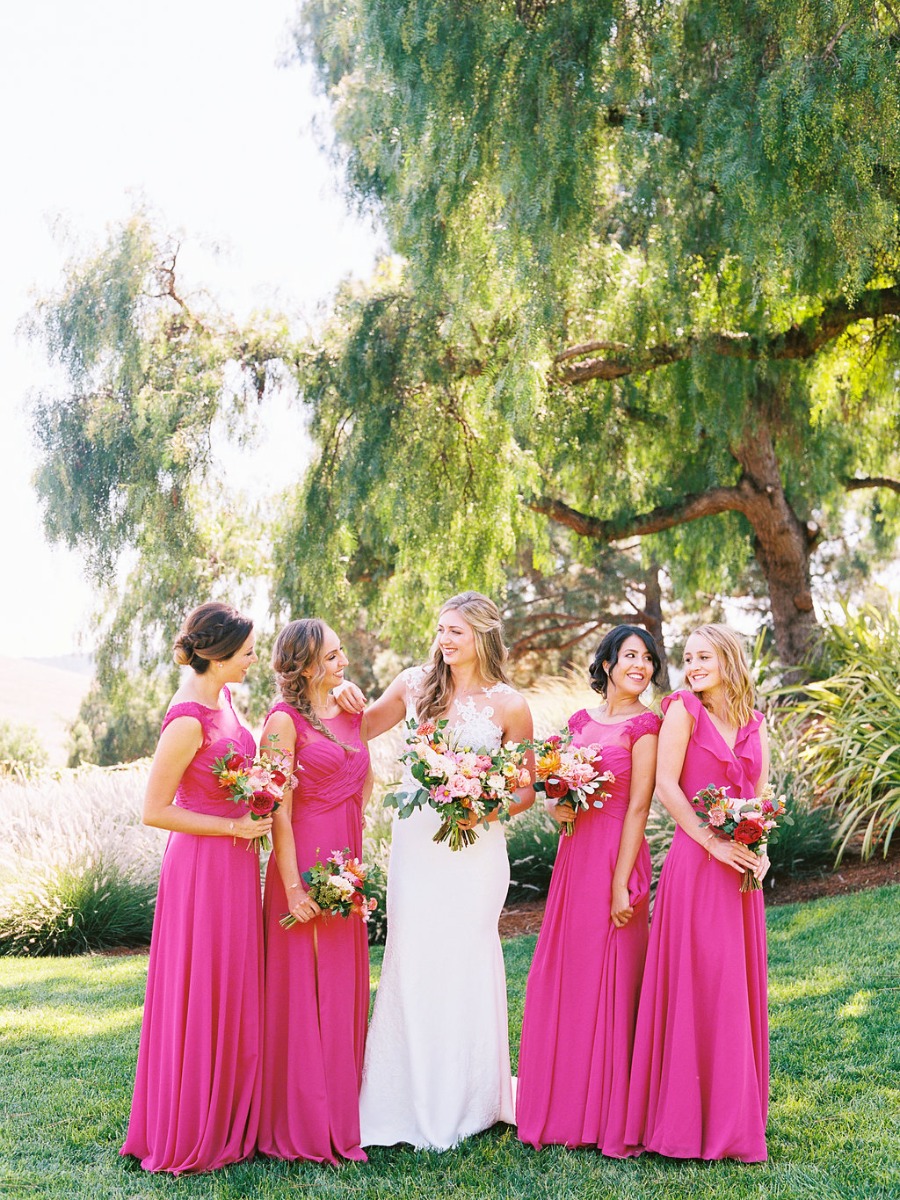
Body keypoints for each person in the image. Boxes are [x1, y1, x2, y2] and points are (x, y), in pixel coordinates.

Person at [335, 591, 535, 1150]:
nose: (445, 640)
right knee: (414, 951)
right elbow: (360, 729)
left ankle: (474, 1099)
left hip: (476, 847)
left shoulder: (510, 705)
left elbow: (524, 790)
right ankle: (405, 1098)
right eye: (441, 629)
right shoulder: (414, 683)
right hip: (419, 841)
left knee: (467, 953)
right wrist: (338, 694)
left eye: (457, 632)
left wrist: (482, 804)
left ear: (483, 636)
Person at [121, 602, 270, 1175]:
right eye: (249, 651)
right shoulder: (186, 720)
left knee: (231, 981)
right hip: (201, 868)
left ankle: (228, 1110)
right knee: (201, 983)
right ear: (218, 657)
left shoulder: (225, 699)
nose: (255, 658)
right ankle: (189, 1124)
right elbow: (155, 810)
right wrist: (234, 825)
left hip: (234, 864)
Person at [625, 623, 770, 1162]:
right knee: (700, 980)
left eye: (704, 656)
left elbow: (760, 796)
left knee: (733, 984)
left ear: (729, 657)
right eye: (688, 657)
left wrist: (761, 846)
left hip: (740, 872)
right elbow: (666, 786)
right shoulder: (682, 709)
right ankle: (685, 1120)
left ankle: (733, 1118)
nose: (693, 665)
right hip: (698, 861)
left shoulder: (755, 722)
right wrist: (713, 844)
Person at [516, 625, 661, 1155]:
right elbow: (562, 795)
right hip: (575, 859)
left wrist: (622, 883)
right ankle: (562, 1108)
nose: (640, 666)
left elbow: (640, 807)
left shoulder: (648, 725)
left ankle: (609, 1115)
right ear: (605, 664)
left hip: (615, 860)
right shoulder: (581, 722)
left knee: (613, 979)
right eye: (629, 656)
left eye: (647, 658)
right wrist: (559, 806)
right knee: (568, 975)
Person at [257, 619, 371, 1165]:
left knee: (343, 985)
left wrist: (356, 860)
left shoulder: (351, 711)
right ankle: (302, 1119)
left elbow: (364, 781)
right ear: (302, 666)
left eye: (341, 653)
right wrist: (292, 886)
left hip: (346, 863)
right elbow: (276, 808)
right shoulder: (282, 722)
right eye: (330, 658)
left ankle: (343, 1113)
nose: (341, 664)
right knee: (304, 987)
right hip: (300, 865)